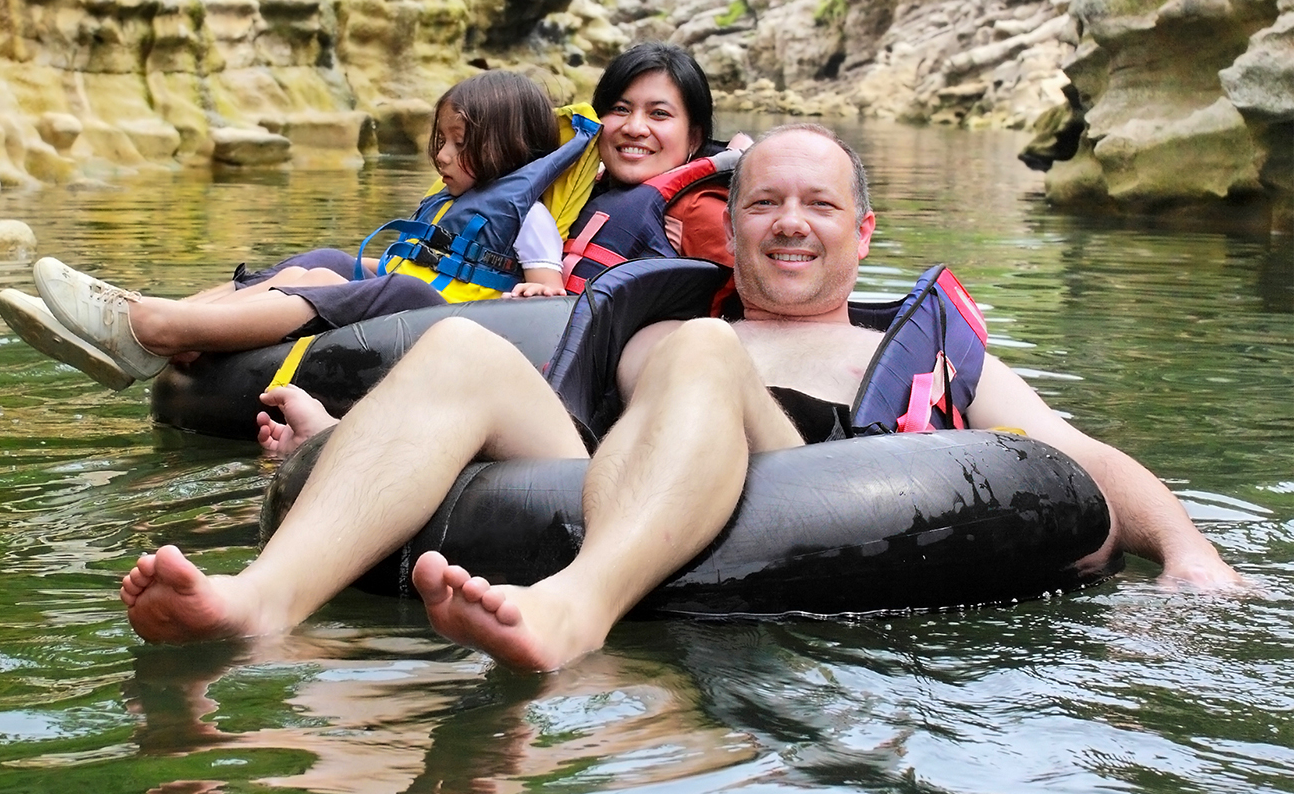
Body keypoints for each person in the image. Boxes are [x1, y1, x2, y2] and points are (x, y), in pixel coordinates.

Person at [118, 123, 1244, 672]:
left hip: (823, 486)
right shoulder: (667, 318)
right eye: (763, 204)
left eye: (816, 205)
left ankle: (575, 606)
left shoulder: (924, 353)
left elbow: (1073, 458)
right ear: (729, 224)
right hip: (620, 463)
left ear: (862, 234)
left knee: (702, 359)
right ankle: (258, 603)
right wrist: (327, 445)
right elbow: (540, 441)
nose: (788, 222)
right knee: (466, 348)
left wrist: (1187, 554)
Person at [0, 70, 587, 390]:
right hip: (416, 296)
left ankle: (150, 327)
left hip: (447, 320)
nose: (443, 156)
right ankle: (153, 320)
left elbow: (545, 284)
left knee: (398, 288)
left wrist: (540, 285)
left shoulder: (526, 213)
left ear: (509, 147)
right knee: (321, 263)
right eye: (442, 140)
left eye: (463, 145)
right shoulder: (454, 199)